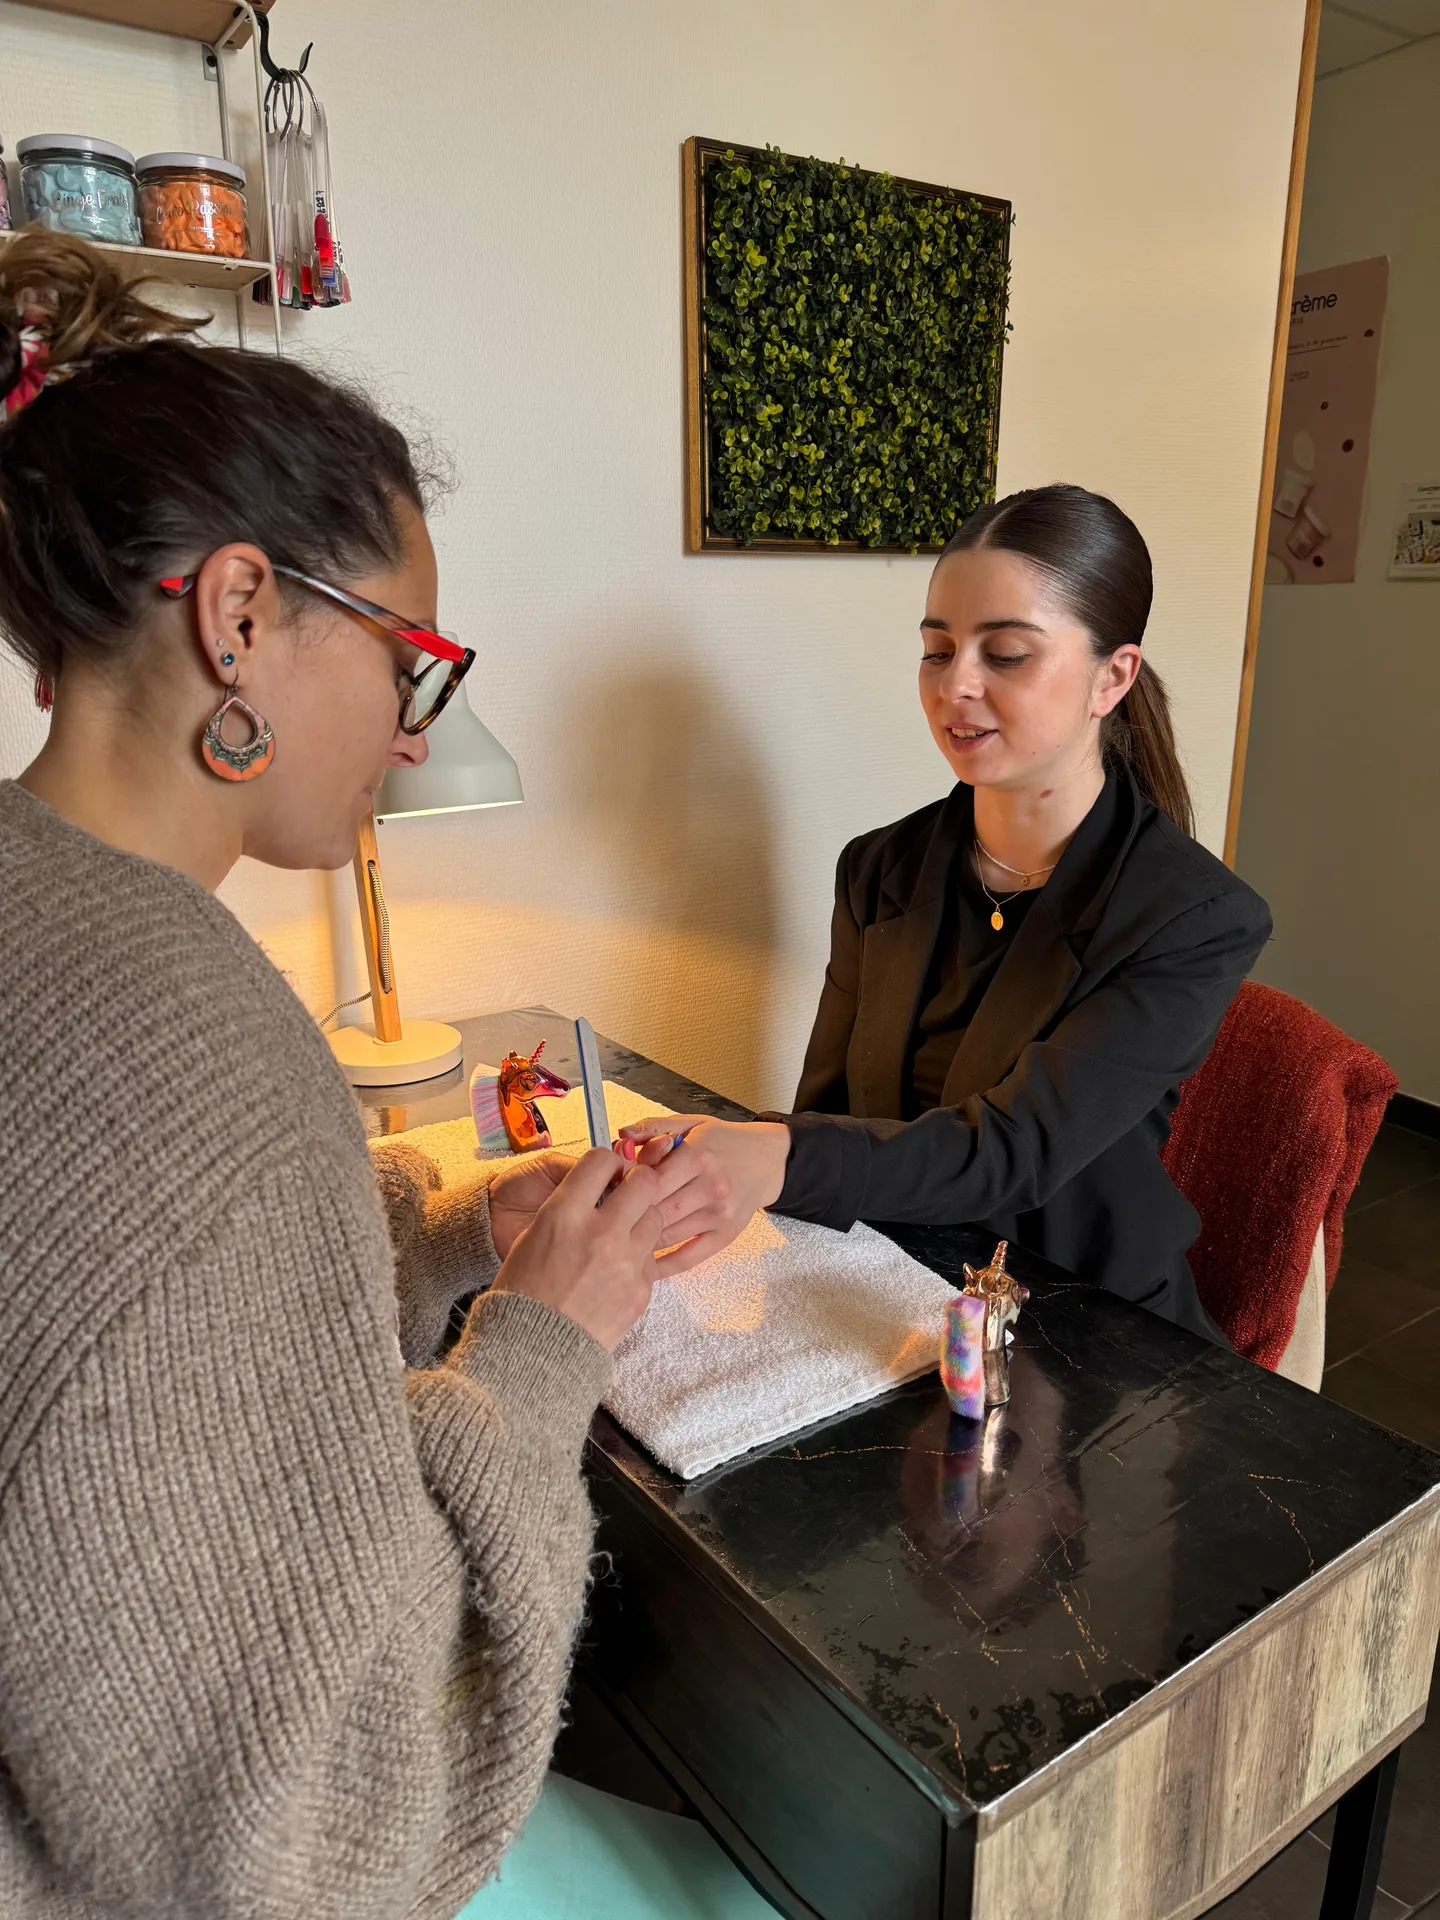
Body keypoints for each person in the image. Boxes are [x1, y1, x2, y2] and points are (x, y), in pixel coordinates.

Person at [0, 231, 756, 1920]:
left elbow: (142, 1349)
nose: (415, 730)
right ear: (240, 614)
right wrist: (543, 1340)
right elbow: (320, 1823)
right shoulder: (193, 1045)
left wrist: (434, 1232)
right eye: (409, 655)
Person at [621, 485, 1272, 1343]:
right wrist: (722, 1170)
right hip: (897, 1288)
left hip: (1091, 1328)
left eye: (1006, 654)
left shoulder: (1191, 915)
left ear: (1112, 678)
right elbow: (831, 1107)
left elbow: (1015, 1150)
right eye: (937, 651)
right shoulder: (880, 869)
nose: (955, 685)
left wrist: (775, 1154)